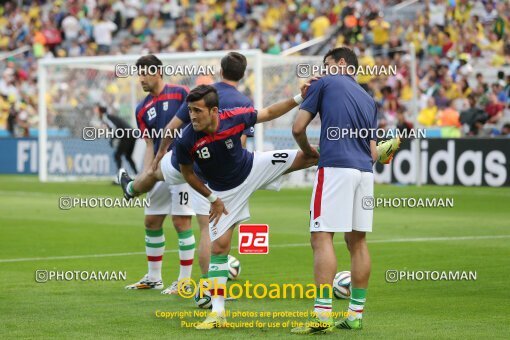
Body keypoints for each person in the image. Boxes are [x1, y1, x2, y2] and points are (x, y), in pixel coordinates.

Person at [119, 83, 320, 329]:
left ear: (214, 111)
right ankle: (217, 313)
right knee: (219, 247)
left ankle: (360, 154)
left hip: (253, 168)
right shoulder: (186, 141)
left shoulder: (233, 117)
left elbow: (267, 113)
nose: (192, 116)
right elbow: (189, 174)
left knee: (311, 156)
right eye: (190, 110)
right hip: (224, 192)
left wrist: (300, 97)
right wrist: (212, 198)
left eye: (197, 111)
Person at [290, 47, 399, 334]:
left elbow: (298, 127)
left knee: (321, 236)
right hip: (364, 172)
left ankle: (322, 316)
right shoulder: (368, 98)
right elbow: (375, 153)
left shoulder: (323, 82)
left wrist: (308, 152)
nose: (323, 70)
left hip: (335, 166)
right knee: (358, 242)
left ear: (341, 63)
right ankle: (355, 315)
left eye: (327, 65)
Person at [123, 55, 209, 295]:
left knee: (181, 221)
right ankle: (153, 277)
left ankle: (183, 281)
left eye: (145, 73)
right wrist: (146, 173)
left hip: (182, 167)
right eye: (138, 73)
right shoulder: (142, 108)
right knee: (151, 220)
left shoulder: (181, 93)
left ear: (158, 72)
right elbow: (150, 144)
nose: (141, 78)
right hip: (159, 170)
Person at [94, 104, 138, 177]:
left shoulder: (106, 118)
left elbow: (114, 128)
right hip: (132, 134)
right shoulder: (110, 117)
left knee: (117, 155)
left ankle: (119, 177)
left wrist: (112, 139)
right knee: (128, 156)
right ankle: (137, 175)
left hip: (126, 135)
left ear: (101, 112)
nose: (96, 113)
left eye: (97, 111)